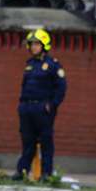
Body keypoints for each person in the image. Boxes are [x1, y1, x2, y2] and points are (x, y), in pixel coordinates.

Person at [12, 29, 66, 182]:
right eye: (32, 44)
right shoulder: (29, 65)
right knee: (27, 141)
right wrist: (21, 106)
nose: (34, 47)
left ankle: (46, 174)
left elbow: (61, 89)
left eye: (37, 44)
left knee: (45, 142)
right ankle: (22, 171)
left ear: (44, 45)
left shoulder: (53, 65)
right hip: (27, 109)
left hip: (43, 110)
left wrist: (52, 105)